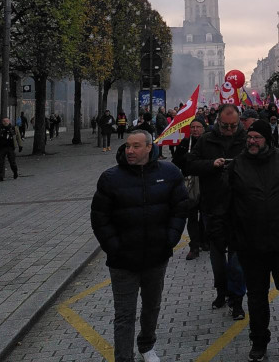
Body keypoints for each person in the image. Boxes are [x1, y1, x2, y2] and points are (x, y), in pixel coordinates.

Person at [212, 118, 279, 362]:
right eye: (249, 137)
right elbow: (223, 204)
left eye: (256, 137)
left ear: (266, 140)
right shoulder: (236, 166)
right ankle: (259, 341)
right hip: (251, 245)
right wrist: (220, 235)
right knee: (257, 296)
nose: (252, 141)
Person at [90, 130, 189, 362]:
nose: (130, 151)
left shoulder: (170, 173)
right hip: (123, 261)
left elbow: (180, 208)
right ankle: (124, 357)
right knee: (124, 314)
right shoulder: (111, 178)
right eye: (127, 146)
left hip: (156, 256)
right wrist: (114, 247)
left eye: (136, 146)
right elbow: (99, 218)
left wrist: (170, 239)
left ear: (149, 148)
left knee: (151, 306)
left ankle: (147, 345)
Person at [185, 103, 248, 318]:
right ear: (217, 122)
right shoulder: (206, 139)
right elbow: (190, 164)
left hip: (240, 207)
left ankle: (237, 299)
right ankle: (221, 290)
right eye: (225, 126)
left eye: (233, 126)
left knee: (238, 261)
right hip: (213, 206)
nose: (229, 130)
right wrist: (211, 164)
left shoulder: (247, 138)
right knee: (217, 257)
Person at [172, 117, 209, 260]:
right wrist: (186, 159)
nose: (195, 129)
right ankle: (194, 246)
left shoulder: (208, 142)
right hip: (190, 183)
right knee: (192, 215)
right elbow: (176, 161)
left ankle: (205, 241)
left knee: (205, 214)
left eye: (198, 127)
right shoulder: (186, 143)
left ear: (203, 128)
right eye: (192, 127)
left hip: (206, 182)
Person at [0, 116, 20, 182]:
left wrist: (20, 145)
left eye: (7, 121)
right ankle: (0, 177)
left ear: (9, 121)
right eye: (4, 121)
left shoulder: (13, 128)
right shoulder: (0, 128)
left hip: (10, 147)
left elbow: (18, 137)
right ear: (2, 122)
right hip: (1, 147)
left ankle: (15, 172)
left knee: (12, 162)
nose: (5, 122)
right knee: (0, 163)